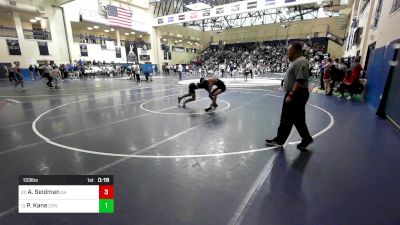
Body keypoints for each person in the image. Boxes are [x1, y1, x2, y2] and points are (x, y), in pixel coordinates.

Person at [265, 42, 313, 151]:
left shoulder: (301, 61)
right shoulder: (297, 61)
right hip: (297, 93)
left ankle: (279, 140)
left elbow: (300, 80)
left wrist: (291, 94)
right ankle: (306, 138)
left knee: (286, 118)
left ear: (295, 50)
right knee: (298, 119)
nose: (287, 52)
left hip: (296, 94)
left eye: (288, 50)